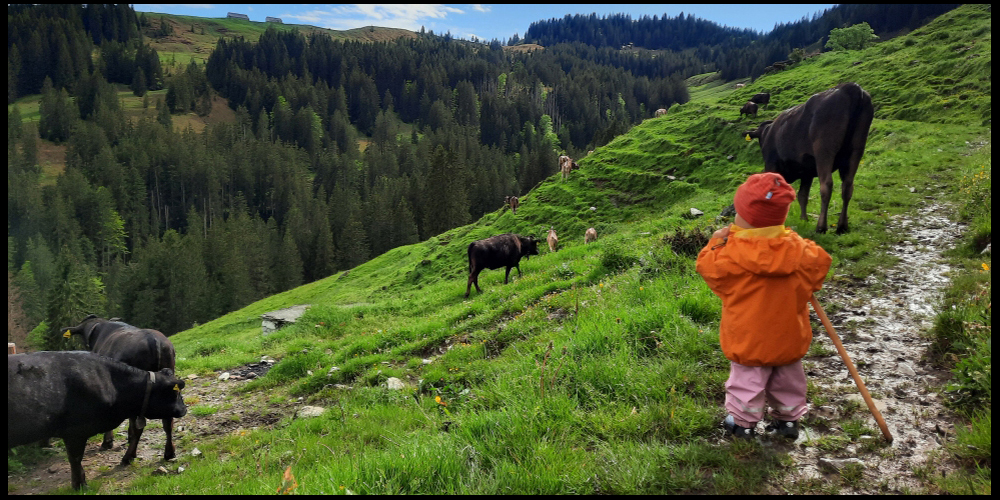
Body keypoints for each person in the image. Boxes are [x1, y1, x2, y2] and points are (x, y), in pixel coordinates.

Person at [696, 172, 832, 440]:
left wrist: (715, 242)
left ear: (743, 216)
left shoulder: (730, 253)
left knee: (747, 382)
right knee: (789, 381)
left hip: (749, 338)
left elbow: (707, 268)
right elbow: (820, 265)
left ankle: (742, 424)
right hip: (789, 336)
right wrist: (795, 242)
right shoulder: (801, 251)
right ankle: (789, 420)